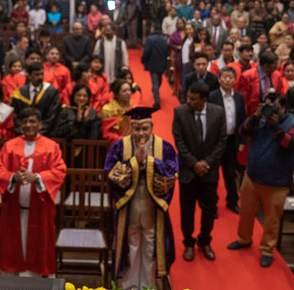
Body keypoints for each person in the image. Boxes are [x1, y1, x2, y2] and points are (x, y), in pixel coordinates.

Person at [227, 93, 294, 268]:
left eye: (275, 107)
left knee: (272, 219)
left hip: (277, 182)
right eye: (268, 106)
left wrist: (275, 126)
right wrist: (255, 116)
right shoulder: (260, 119)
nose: (271, 110)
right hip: (252, 176)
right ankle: (244, 239)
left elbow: (292, 145)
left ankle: (267, 250)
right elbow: (242, 131)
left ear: (284, 108)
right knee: (246, 212)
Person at [105, 107, 178, 289]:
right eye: (137, 129)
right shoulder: (120, 146)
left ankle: (146, 285)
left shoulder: (165, 147)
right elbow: (110, 171)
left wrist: (147, 162)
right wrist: (134, 162)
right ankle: (129, 286)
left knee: (149, 248)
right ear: (131, 128)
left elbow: (172, 173)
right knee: (132, 248)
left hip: (152, 209)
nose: (141, 133)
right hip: (129, 208)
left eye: (145, 128)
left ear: (152, 126)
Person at [0, 107, 66, 277]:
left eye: (33, 121)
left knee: (38, 251)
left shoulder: (51, 147)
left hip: (39, 209)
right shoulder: (9, 146)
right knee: (12, 251)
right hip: (14, 209)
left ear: (40, 124)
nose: (29, 125)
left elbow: (60, 170)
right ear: (19, 124)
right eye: (25, 121)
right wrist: (13, 178)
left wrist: (37, 178)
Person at [173, 82, 226, 262]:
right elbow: (179, 142)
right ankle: (188, 242)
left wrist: (206, 163)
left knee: (210, 208)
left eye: (193, 99)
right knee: (187, 209)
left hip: (209, 171)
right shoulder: (180, 112)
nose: (188, 101)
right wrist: (195, 163)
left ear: (204, 99)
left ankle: (204, 241)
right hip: (188, 171)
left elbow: (221, 141)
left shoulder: (218, 113)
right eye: (188, 97)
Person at [208, 67, 247, 213]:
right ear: (219, 79)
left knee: (231, 174)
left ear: (235, 80)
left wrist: (242, 140)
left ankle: (232, 201)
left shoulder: (239, 97)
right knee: (213, 175)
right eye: (225, 77)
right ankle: (212, 205)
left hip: (232, 141)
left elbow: (242, 119)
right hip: (215, 141)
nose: (228, 80)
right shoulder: (212, 96)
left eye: (231, 77)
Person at [238, 51, 279, 116]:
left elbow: (280, 94)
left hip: (272, 114)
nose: (276, 66)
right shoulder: (247, 76)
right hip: (253, 114)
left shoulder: (277, 75)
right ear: (266, 65)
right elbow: (243, 100)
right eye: (274, 64)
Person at [142, 24, 169, 108]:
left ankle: (157, 102)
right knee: (159, 79)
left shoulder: (150, 39)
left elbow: (146, 51)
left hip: (152, 63)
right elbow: (167, 51)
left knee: (155, 82)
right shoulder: (164, 39)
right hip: (162, 63)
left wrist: (143, 60)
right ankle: (155, 91)